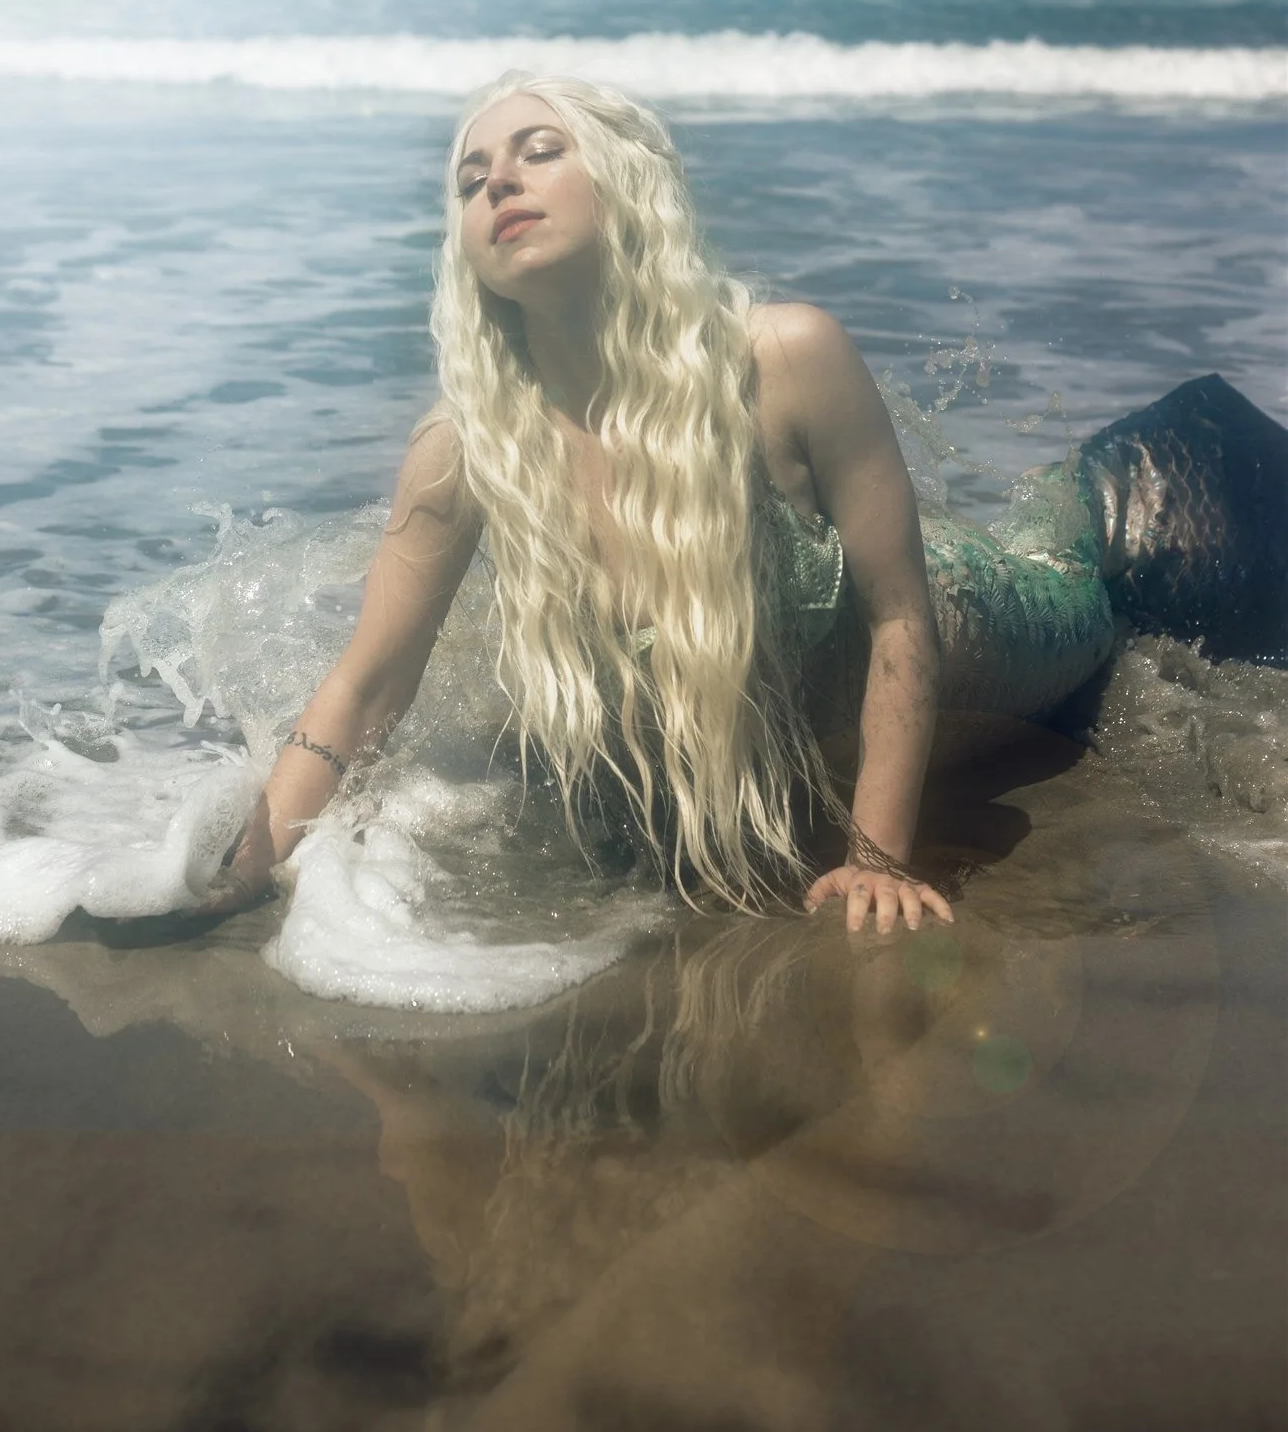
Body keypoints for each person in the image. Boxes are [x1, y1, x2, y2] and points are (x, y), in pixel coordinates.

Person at [197, 73, 1284, 935]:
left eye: (538, 151)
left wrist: (878, 860)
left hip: (969, 617)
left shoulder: (785, 358)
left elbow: (904, 619)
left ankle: (1125, 467)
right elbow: (366, 686)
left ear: (625, 184)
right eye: (471, 177)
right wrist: (249, 864)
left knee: (1084, 581)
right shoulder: (463, 450)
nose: (498, 185)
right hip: (828, 671)